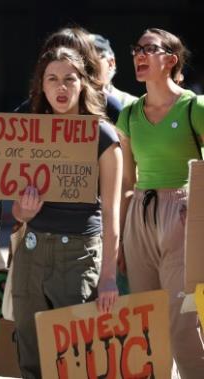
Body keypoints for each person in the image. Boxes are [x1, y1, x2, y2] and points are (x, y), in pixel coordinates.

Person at [11, 46, 121, 379]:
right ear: (40, 86)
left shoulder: (103, 136)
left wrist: (109, 277)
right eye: (52, 79)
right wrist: (24, 212)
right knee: (30, 359)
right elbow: (15, 211)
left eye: (69, 79)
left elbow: (113, 214)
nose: (61, 88)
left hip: (78, 257)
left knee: (76, 362)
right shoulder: (28, 133)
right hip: (31, 253)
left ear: (84, 83)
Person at [116, 28, 204, 379]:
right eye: (136, 48)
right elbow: (126, 181)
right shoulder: (130, 113)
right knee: (144, 322)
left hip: (183, 214)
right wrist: (122, 238)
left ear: (170, 60)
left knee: (182, 320)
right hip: (140, 214)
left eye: (148, 49)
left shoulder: (193, 107)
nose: (139, 55)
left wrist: (196, 209)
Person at [14, 27, 123, 124]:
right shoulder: (29, 110)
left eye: (71, 57)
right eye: (55, 56)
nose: (62, 61)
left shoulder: (110, 108)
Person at [91, 33, 138, 107]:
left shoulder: (132, 105)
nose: (84, 66)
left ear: (110, 64)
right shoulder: (70, 104)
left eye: (92, 59)